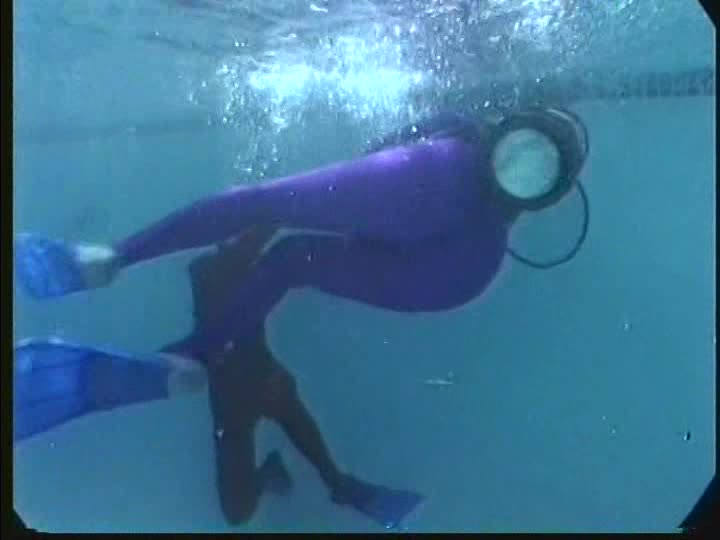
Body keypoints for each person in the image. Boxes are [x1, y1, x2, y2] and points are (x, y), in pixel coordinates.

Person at [14, 107, 590, 365]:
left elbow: (406, 135)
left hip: (430, 183)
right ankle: (192, 360)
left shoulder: (453, 153)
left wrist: (376, 160)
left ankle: (112, 259)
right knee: (291, 258)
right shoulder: (485, 257)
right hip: (457, 271)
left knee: (262, 206)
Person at [13, 226, 424, 530]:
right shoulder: (214, 267)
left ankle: (334, 484)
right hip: (237, 396)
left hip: (261, 383)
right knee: (237, 512)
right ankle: (287, 476)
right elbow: (256, 237)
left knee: (301, 486)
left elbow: (258, 235)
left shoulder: (225, 266)